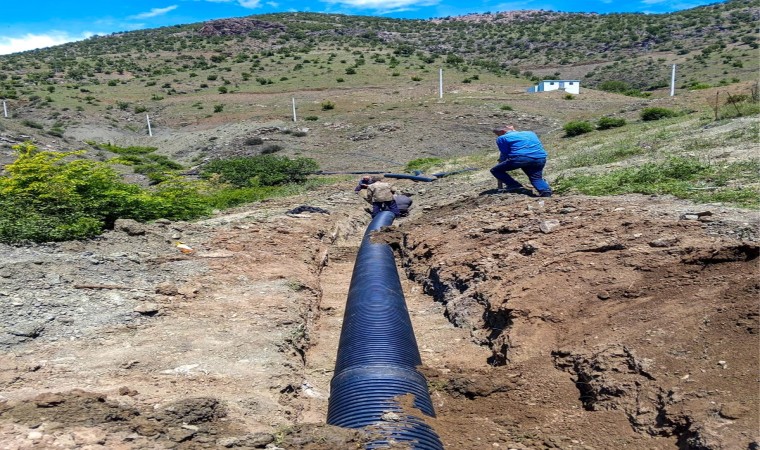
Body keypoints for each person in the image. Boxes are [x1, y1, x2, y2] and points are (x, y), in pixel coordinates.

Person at [490, 125, 552, 197]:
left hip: (520, 158)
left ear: (502, 131)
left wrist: (502, 161)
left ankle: (514, 185)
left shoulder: (502, 138)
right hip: (540, 158)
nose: (497, 135)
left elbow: (505, 153)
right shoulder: (530, 133)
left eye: (497, 134)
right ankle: (546, 192)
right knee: (536, 178)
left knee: (496, 170)